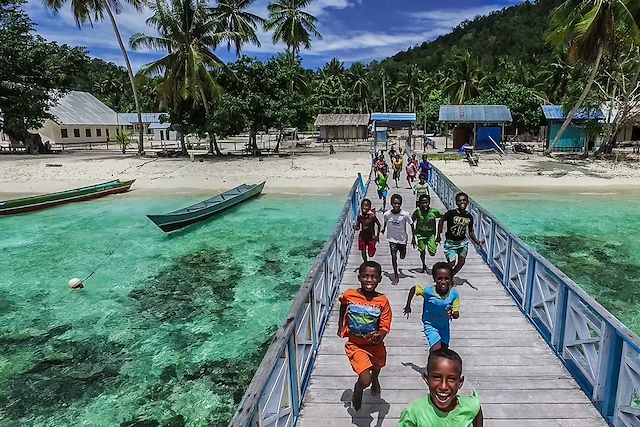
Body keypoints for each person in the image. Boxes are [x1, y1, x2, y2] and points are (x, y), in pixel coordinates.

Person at [337, 260, 392, 411]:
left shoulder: (382, 301)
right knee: (364, 379)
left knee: (378, 366)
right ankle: (359, 387)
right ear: (359, 277)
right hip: (356, 345)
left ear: (379, 279)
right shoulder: (350, 295)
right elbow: (343, 304)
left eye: (374, 277)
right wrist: (340, 324)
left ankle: (375, 380)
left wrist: (380, 335)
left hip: (375, 345)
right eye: (365, 276)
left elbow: (385, 326)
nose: (369, 280)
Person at [397, 348, 483, 426]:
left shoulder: (470, 406)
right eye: (436, 377)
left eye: (451, 379)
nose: (443, 386)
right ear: (427, 379)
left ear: (460, 382)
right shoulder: (414, 413)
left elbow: (477, 409)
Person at [403, 262, 459, 352]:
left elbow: (456, 314)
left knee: (444, 350)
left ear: (451, 279)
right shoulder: (428, 292)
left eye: (446, 278)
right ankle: (432, 359)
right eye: (439, 278)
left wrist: (453, 313)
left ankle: (432, 360)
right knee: (436, 349)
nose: (443, 282)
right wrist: (408, 305)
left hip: (444, 326)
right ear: (434, 279)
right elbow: (414, 288)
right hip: (430, 325)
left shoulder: (454, 294)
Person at [436, 192, 483, 276]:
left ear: (467, 202)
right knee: (451, 263)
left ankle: (450, 276)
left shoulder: (469, 216)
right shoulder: (451, 213)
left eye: (464, 200)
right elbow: (441, 221)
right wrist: (438, 234)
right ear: (456, 203)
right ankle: (443, 273)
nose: (462, 202)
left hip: (462, 243)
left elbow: (470, 231)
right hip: (450, 243)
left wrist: (477, 241)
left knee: (461, 262)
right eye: (459, 200)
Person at [382, 194, 415, 286]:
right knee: (393, 257)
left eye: (398, 204)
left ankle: (402, 258)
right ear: (391, 203)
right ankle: (396, 276)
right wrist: (384, 229)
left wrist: (413, 238)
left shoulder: (405, 214)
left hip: (402, 239)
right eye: (394, 203)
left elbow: (412, 224)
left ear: (401, 204)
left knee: (402, 256)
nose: (396, 205)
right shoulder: (387, 214)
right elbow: (385, 221)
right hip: (392, 239)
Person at [412, 195, 441, 273]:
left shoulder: (434, 211)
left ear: (429, 202)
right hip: (420, 234)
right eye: (423, 203)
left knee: (432, 252)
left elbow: (443, 217)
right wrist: (413, 237)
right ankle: (423, 265)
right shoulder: (417, 211)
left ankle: (434, 244)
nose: (425, 205)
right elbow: (411, 222)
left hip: (430, 234)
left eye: (426, 202)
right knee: (422, 250)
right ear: (420, 203)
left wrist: (439, 234)